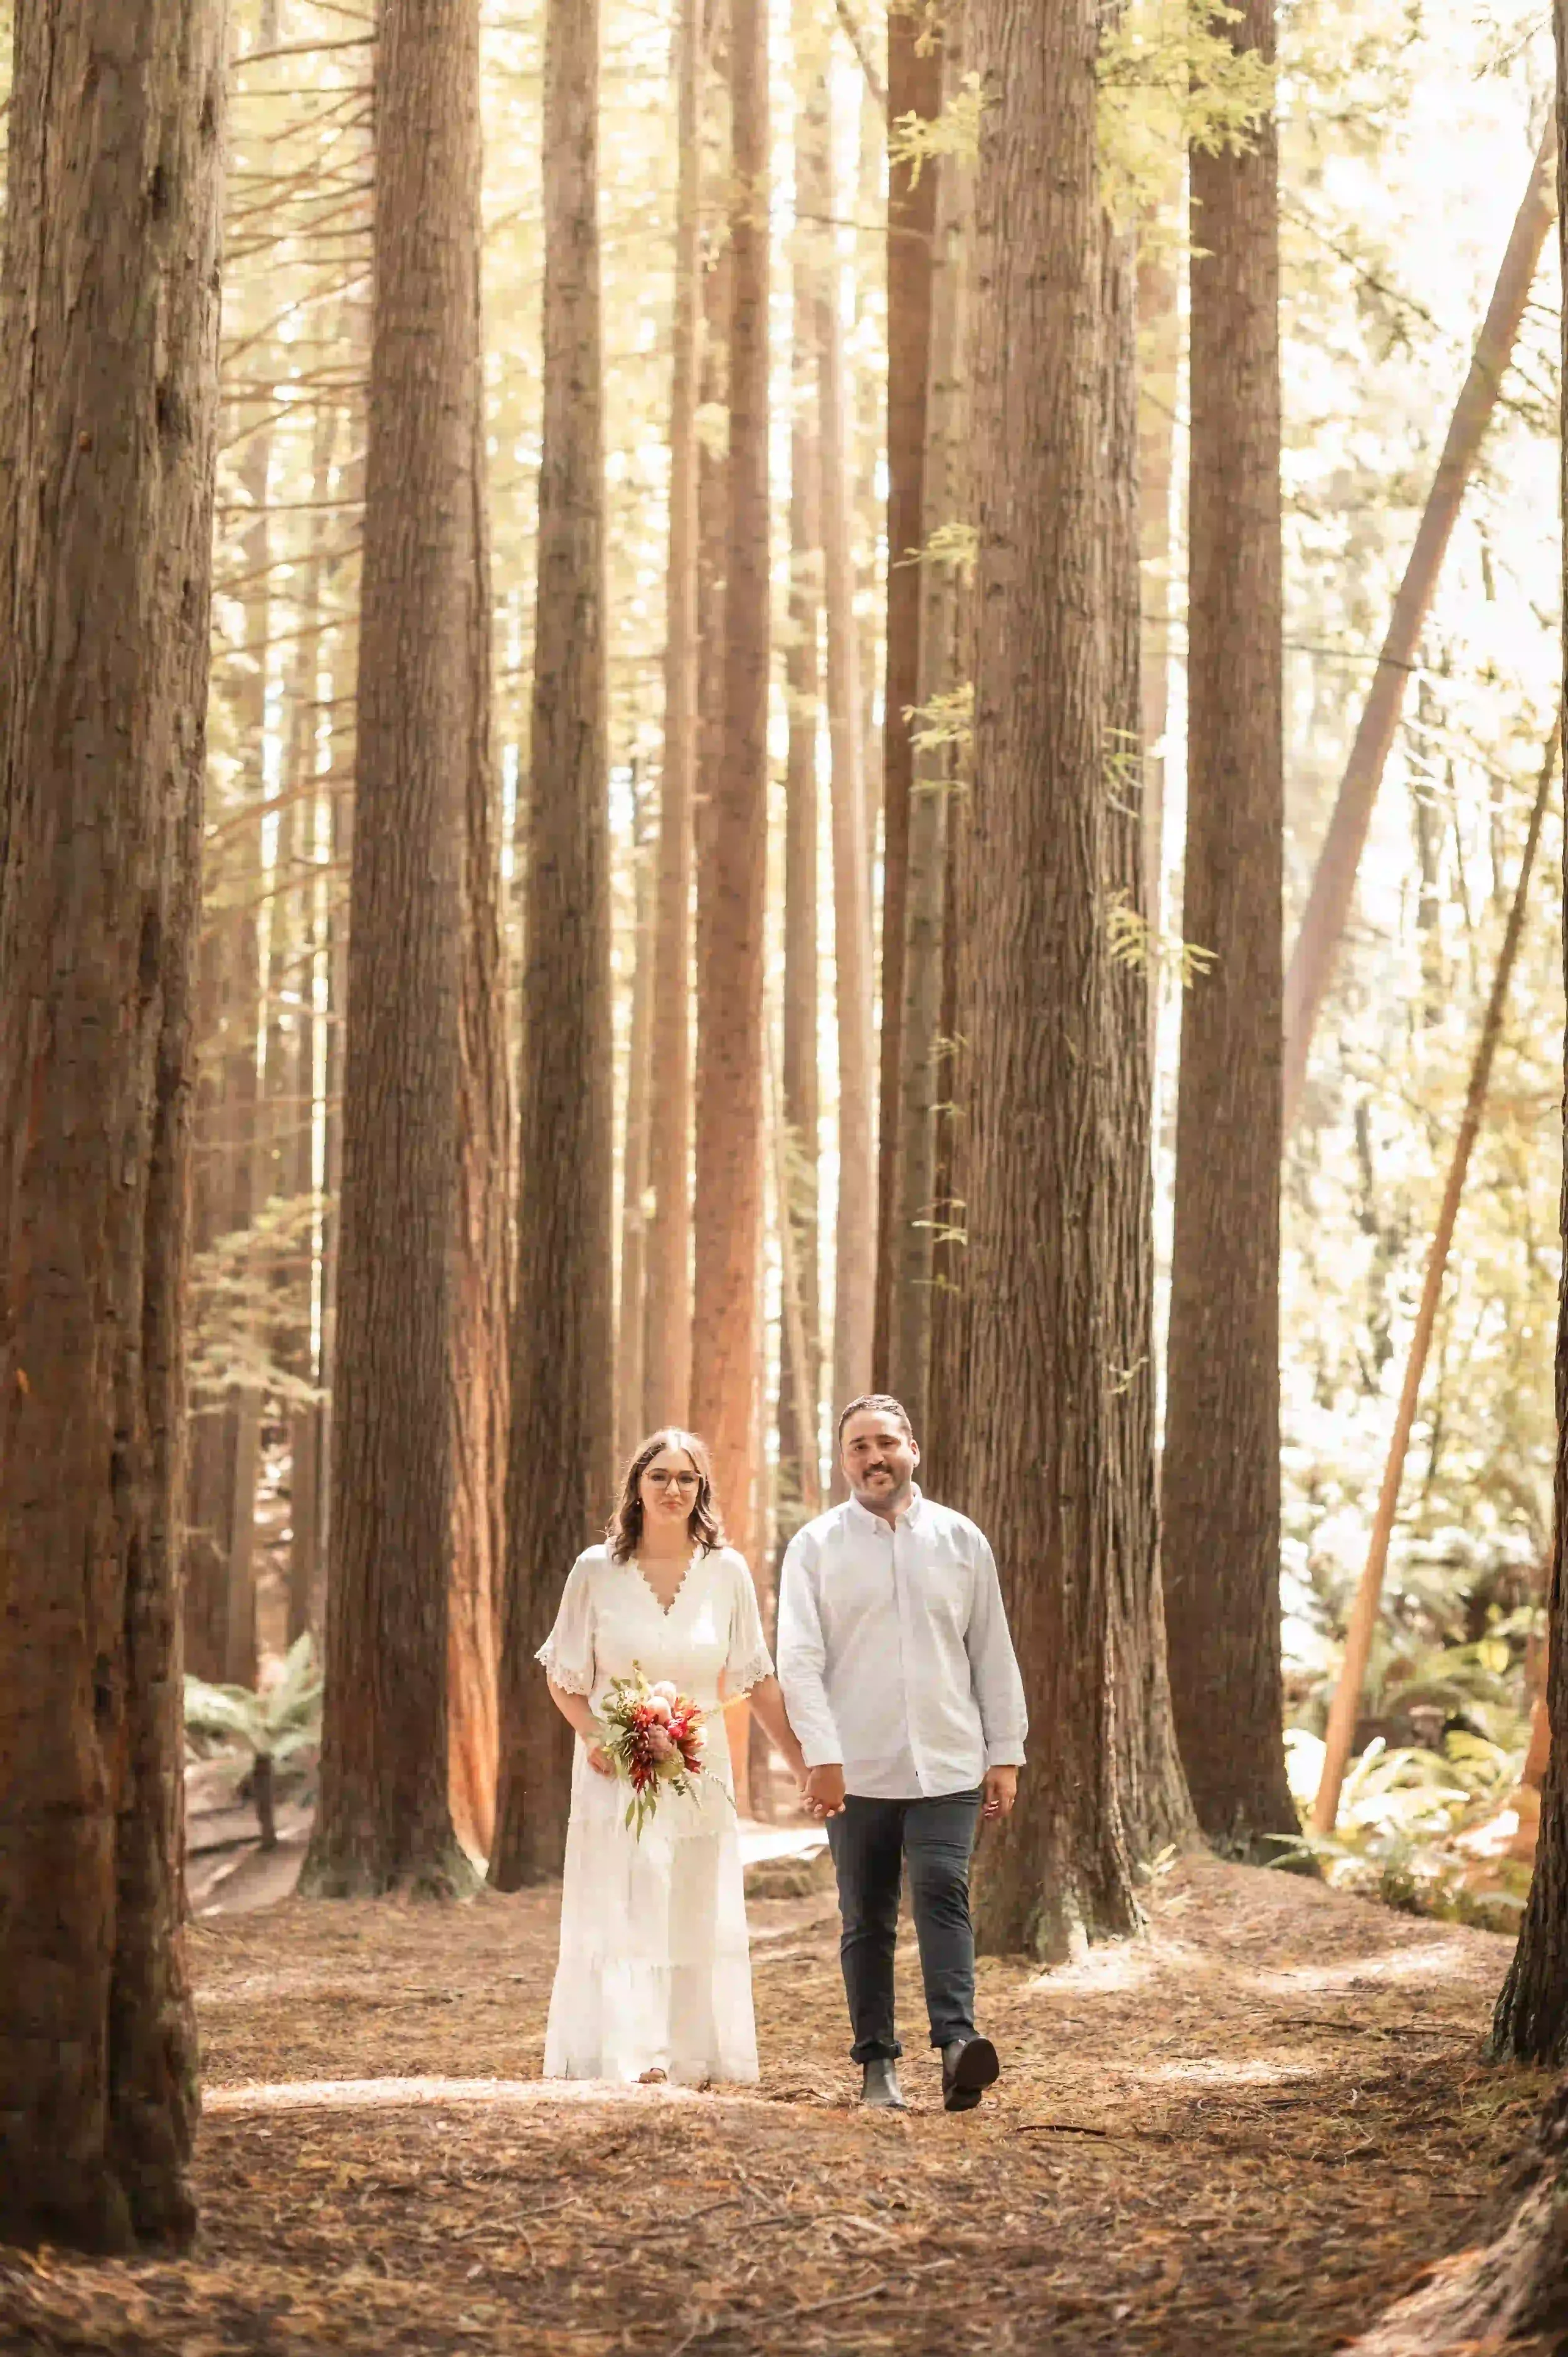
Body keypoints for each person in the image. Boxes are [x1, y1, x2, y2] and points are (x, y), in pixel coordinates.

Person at [776, 1394, 1027, 2114]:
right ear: (843, 1459)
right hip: (855, 1768)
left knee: (944, 1891)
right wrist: (819, 1754)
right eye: (857, 1445)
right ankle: (876, 2065)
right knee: (867, 1914)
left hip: (948, 1759)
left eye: (885, 1441)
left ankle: (957, 2045)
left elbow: (991, 1649)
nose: (872, 1456)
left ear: (911, 1447)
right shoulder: (815, 1547)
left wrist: (1003, 1751)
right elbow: (797, 1658)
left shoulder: (960, 1539)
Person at [536, 1427, 807, 2086]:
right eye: (659, 1475)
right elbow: (562, 1674)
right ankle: (630, 2051)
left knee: (688, 1898)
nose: (672, 1488)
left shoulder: (727, 1573)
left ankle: (689, 2050)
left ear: (701, 1490)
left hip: (695, 1768)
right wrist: (598, 1736)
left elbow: (755, 1675)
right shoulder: (593, 1570)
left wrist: (805, 1764)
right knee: (624, 1900)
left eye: (687, 1477)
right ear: (636, 1484)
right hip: (612, 1767)